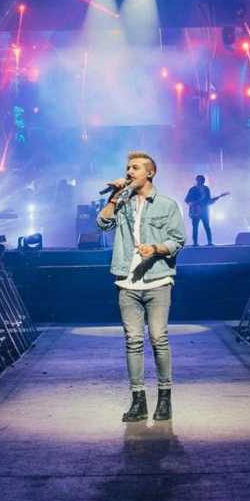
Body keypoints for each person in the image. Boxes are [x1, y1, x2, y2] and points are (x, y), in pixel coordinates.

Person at [97, 151, 185, 423]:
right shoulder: (121, 202)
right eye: (127, 168)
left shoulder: (167, 205)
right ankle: (138, 401)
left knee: (159, 338)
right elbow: (102, 223)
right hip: (127, 281)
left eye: (135, 167)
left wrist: (156, 248)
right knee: (133, 342)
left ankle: (165, 400)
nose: (129, 172)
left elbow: (178, 240)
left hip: (158, 280)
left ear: (150, 172)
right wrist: (114, 195)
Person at [183, 175, 214, 246]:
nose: (201, 181)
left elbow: (208, 200)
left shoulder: (206, 189)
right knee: (195, 227)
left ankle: (210, 242)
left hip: (204, 210)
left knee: (207, 226)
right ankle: (195, 243)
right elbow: (187, 200)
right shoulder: (193, 189)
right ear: (197, 180)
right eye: (199, 180)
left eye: (202, 180)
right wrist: (192, 204)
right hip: (195, 211)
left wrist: (212, 201)